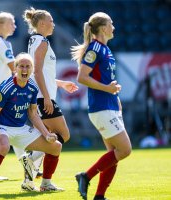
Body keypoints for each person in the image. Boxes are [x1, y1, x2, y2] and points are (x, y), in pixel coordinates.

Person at [0, 53, 64, 196]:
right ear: (15, 68)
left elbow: (33, 114)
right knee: (3, 146)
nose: (24, 69)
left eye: (27, 66)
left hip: (21, 129)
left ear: (32, 69)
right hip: (1, 127)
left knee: (56, 146)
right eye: (21, 66)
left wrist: (47, 134)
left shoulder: (33, 88)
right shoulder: (6, 87)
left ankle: (46, 184)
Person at [71, 12, 132, 200]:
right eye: (111, 23)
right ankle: (85, 176)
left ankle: (99, 196)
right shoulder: (95, 48)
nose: (114, 27)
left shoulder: (105, 49)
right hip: (101, 108)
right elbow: (81, 77)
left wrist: (115, 96)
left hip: (110, 106)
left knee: (113, 155)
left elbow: (107, 82)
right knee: (125, 150)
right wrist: (107, 88)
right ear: (104, 27)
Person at [0, 12, 40, 181]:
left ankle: (25, 167)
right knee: (3, 130)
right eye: (12, 22)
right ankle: (21, 167)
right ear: (2, 25)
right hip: (1, 93)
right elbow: (15, 68)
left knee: (5, 129)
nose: (15, 26)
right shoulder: (3, 44)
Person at [22, 7, 78, 187]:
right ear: (42, 23)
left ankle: (39, 179)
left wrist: (60, 84)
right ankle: (32, 160)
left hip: (39, 96)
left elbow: (40, 73)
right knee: (63, 134)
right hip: (41, 97)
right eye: (51, 20)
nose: (54, 24)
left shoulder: (35, 40)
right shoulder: (43, 42)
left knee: (50, 137)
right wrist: (46, 97)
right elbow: (37, 71)